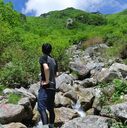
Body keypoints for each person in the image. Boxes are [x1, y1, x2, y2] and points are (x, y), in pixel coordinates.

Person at [38, 43, 58, 128]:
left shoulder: (43, 57)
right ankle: (51, 126)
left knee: (41, 107)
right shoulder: (54, 60)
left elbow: (46, 68)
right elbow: (56, 73)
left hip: (46, 87)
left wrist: (46, 81)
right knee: (50, 108)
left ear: (42, 50)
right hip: (53, 87)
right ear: (51, 50)